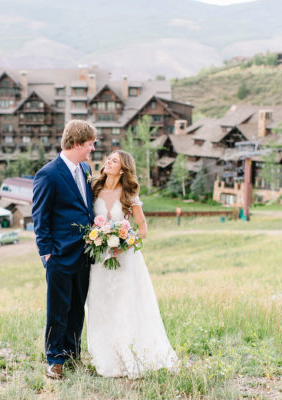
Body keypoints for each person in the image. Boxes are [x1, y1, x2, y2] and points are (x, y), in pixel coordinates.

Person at [86, 150, 178, 378]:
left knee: (124, 305)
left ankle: (130, 354)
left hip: (124, 259)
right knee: (100, 305)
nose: (108, 162)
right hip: (98, 259)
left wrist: (124, 244)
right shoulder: (94, 188)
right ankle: (106, 357)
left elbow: (143, 229)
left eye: (114, 160)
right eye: (108, 158)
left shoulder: (129, 194)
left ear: (123, 168)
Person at [32, 120, 96, 379]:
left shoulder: (86, 168)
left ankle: (72, 355)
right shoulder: (48, 174)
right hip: (59, 254)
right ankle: (54, 359)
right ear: (78, 143)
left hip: (85, 253)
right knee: (58, 309)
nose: (92, 149)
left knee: (77, 307)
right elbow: (40, 216)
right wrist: (46, 253)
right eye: (90, 144)